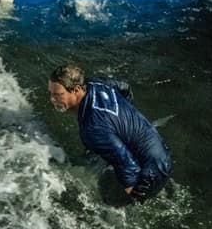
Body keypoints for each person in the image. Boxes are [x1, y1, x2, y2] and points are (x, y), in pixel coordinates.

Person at [48, 64, 172, 204]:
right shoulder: (94, 83)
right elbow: (124, 87)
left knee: (107, 198)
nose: (52, 99)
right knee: (98, 151)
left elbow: (128, 165)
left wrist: (132, 196)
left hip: (151, 173)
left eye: (58, 94)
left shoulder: (92, 128)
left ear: (76, 90)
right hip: (158, 148)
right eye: (51, 93)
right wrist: (125, 118)